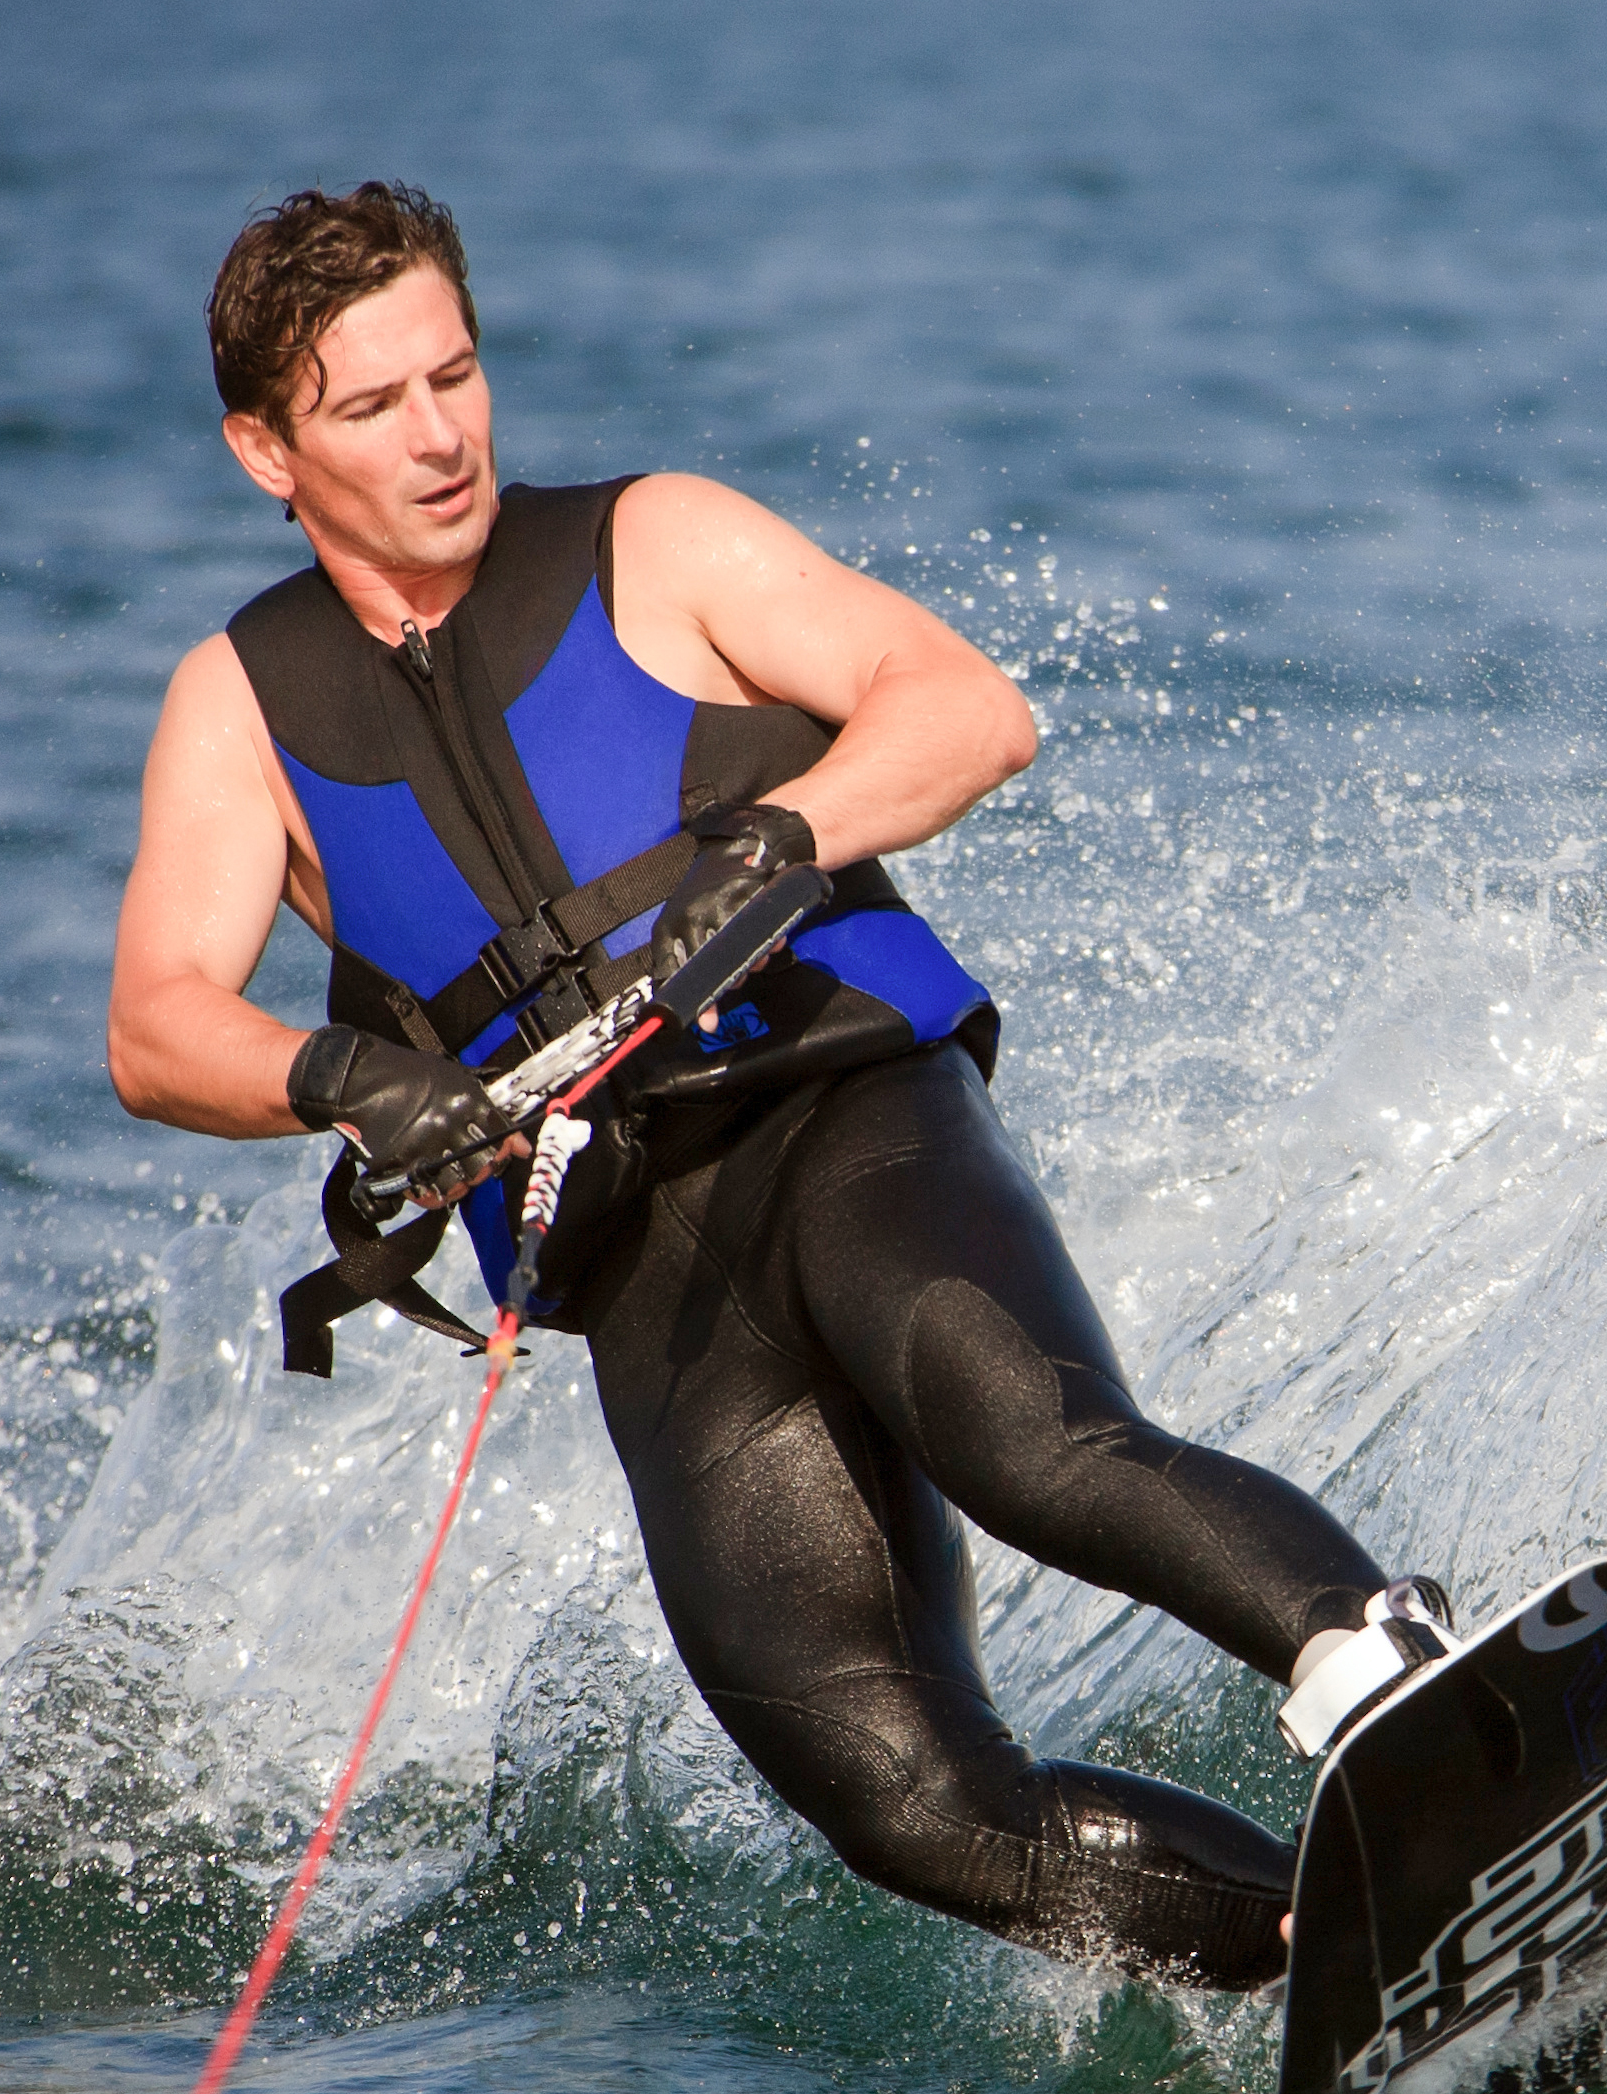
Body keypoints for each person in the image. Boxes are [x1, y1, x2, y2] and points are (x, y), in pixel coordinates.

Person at [107, 183, 1451, 1992]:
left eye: (458, 374)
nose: (439, 436)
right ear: (266, 450)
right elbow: (157, 1027)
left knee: (1034, 1449)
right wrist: (339, 1072)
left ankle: (1396, 1671)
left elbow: (963, 707)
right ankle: (1335, 1954)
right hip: (645, 1267)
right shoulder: (240, 705)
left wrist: (786, 833)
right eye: (372, 406)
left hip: (841, 1117)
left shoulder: (655, 545)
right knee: (898, 1797)